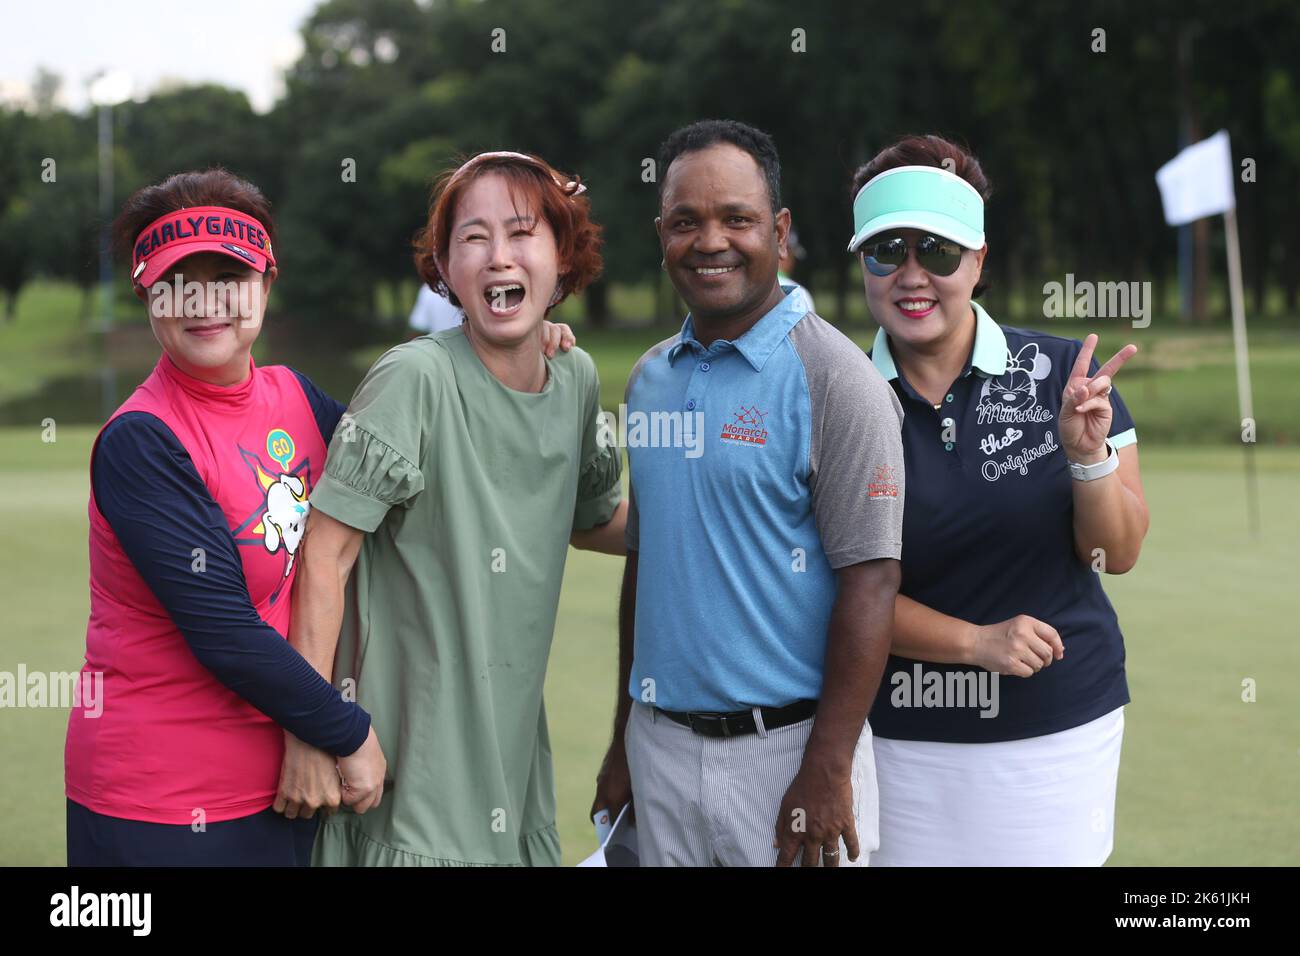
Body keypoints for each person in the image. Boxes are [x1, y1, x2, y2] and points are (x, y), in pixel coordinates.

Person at [288, 150, 626, 867]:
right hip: (401, 779)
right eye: (473, 238)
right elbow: (323, 559)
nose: (498, 256)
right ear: (444, 268)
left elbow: (598, 522)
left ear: (563, 258)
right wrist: (312, 734)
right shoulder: (414, 378)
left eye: (523, 232)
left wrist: (747, 520)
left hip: (510, 772)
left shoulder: (577, 379)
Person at [591, 120, 905, 867]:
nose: (711, 241)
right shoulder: (651, 378)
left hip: (792, 754)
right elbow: (648, 566)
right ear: (660, 233)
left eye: (737, 218)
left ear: (781, 230)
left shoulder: (836, 378)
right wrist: (622, 739)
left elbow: (873, 581)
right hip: (659, 749)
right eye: (685, 222)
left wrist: (828, 768)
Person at [63, 169, 386, 866]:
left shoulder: (294, 395)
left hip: (281, 789)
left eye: (229, 275)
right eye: (180, 280)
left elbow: (401, 454)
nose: (205, 300)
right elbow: (226, 633)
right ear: (148, 295)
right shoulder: (140, 439)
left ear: (267, 284)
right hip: (157, 806)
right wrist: (346, 733)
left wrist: (512, 351)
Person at [846, 135, 1149, 865]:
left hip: (1057, 729)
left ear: (977, 261)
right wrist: (976, 644)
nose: (912, 276)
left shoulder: (1061, 375)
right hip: (899, 738)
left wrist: (1086, 460)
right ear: (863, 264)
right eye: (887, 251)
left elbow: (1120, 553)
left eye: (938, 253)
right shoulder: (838, 399)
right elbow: (837, 592)